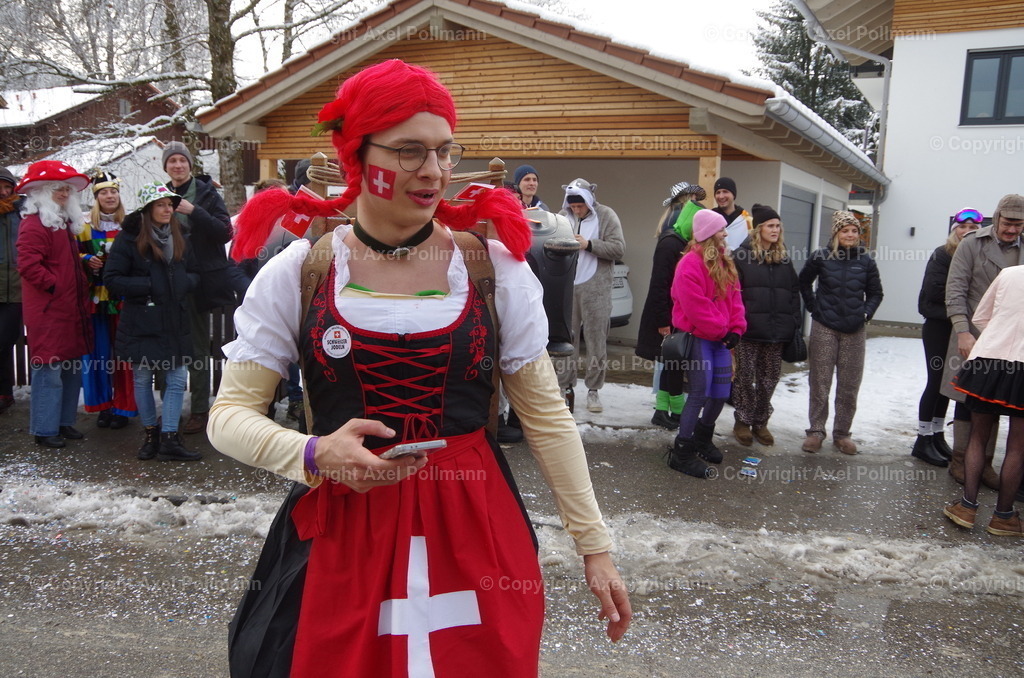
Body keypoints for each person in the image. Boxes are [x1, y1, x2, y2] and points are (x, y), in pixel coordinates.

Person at [206, 59, 630, 677]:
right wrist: (314, 453)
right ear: (358, 156)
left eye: (443, 151)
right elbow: (227, 417)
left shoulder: (493, 270)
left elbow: (547, 419)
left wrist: (595, 548)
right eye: (408, 151)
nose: (432, 171)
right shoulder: (302, 271)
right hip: (344, 527)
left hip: (474, 524)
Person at [105, 183, 201, 462]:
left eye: (170, 205)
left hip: (174, 319)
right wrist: (151, 285)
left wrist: (183, 283)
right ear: (148, 209)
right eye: (161, 205)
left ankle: (170, 438)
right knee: (143, 378)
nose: (167, 209)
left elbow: (194, 272)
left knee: (176, 378)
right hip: (142, 321)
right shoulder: (130, 238)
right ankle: (150, 435)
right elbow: (112, 279)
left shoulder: (181, 234)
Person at [162, 141, 247, 435]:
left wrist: (194, 211)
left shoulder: (208, 194)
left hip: (199, 282)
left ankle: (199, 409)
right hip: (167, 281)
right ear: (166, 167)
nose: (177, 166)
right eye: (171, 161)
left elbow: (225, 231)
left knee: (198, 349)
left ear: (189, 165)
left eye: (181, 161)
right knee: (169, 347)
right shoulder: (160, 196)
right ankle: (169, 409)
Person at [941, 194, 1024, 485]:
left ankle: (985, 465)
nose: (1013, 230)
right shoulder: (972, 244)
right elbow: (955, 291)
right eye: (1008, 223)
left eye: (1019, 224)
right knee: (968, 398)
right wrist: (962, 332)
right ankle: (960, 461)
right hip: (973, 335)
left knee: (1001, 399)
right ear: (997, 217)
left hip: (1011, 342)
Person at [14, 161, 93, 448]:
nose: (63, 193)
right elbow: (27, 265)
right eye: (57, 188)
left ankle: (63, 422)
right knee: (49, 371)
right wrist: (56, 286)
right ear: (42, 192)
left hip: (68, 309)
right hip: (49, 311)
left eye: (66, 189)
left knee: (70, 369)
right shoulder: (34, 224)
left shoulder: (60, 223)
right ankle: (45, 429)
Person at [943, 265, 1024, 536]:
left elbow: (980, 317)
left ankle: (967, 506)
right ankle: (1003, 517)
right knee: (1017, 446)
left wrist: (1002, 332)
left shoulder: (1010, 273)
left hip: (988, 360)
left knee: (978, 435)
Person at [666, 210, 746, 478]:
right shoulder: (689, 263)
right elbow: (694, 305)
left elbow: (735, 299)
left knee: (721, 393)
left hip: (720, 339)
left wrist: (736, 329)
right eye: (721, 230)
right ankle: (682, 451)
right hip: (700, 338)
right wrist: (723, 329)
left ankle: (702, 437)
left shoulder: (724, 261)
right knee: (699, 392)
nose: (725, 234)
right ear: (708, 234)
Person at [798, 211, 883, 455]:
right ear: (836, 233)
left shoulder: (866, 260)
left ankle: (842, 433)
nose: (850, 234)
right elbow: (803, 282)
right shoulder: (821, 257)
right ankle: (815, 431)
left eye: (854, 231)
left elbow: (876, 293)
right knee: (820, 381)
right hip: (825, 327)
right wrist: (814, 308)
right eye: (845, 230)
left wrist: (865, 313)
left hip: (854, 330)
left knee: (849, 384)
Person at [230, 178, 304, 423]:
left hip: (291, 306)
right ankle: (264, 410)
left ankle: (296, 401)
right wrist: (260, 291)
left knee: (292, 356)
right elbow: (235, 268)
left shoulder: (295, 229)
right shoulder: (250, 230)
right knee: (261, 359)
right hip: (257, 308)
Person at [912, 208, 982, 467]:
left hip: (960, 328)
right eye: (962, 227)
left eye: (973, 227)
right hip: (939, 326)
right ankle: (922, 439)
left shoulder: (977, 255)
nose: (967, 231)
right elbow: (934, 290)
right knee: (935, 380)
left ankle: (937, 434)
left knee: (948, 384)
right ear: (954, 230)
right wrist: (961, 306)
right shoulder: (943, 255)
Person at [636, 183, 705, 428]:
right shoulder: (670, 244)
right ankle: (676, 412)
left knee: (672, 365)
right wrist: (663, 321)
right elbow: (659, 286)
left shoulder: (679, 243)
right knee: (674, 366)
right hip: (666, 318)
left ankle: (662, 411)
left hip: (674, 317)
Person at [731, 204, 801, 446]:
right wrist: (735, 324)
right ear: (759, 229)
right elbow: (733, 294)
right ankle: (742, 421)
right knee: (744, 378)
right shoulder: (741, 256)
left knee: (769, 380)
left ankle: (760, 422)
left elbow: (794, 293)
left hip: (777, 332)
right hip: (748, 331)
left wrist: (794, 324)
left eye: (778, 226)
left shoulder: (783, 258)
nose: (775, 229)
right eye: (770, 225)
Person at [557, 178, 626, 413]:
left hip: (596, 288)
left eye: (580, 206)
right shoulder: (562, 217)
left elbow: (618, 248)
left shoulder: (606, 216)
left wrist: (589, 245)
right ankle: (565, 388)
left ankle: (593, 390)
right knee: (567, 342)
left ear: (588, 201)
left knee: (596, 340)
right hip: (568, 287)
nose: (577, 210)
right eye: (573, 206)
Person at [79, 171, 137, 430]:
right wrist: (84, 260)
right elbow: (73, 255)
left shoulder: (131, 226)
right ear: (96, 197)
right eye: (104, 192)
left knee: (124, 356)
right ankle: (102, 406)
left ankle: (123, 407)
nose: (110, 196)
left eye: (113, 191)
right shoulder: (83, 228)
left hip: (124, 300)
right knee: (98, 355)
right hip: (96, 299)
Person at [0, 166, 23, 415]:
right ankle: (5, 392)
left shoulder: (21, 211)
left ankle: (4, 390)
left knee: (4, 340)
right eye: (0, 188)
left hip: (17, 288)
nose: (4, 192)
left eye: (8, 187)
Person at [710, 177, 752, 250]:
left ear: (733, 195)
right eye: (718, 192)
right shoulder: (710, 219)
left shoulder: (747, 221)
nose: (721, 196)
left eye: (725, 191)